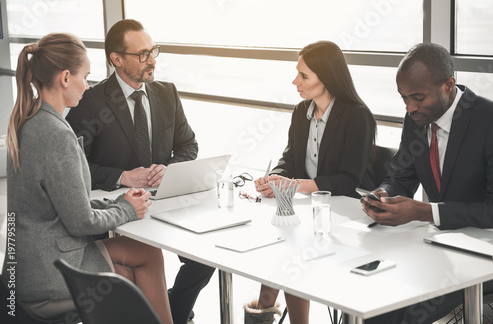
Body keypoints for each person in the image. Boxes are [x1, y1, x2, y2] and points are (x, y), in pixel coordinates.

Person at [3, 33, 173, 323]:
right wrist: (127, 209)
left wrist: (116, 202)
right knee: (146, 258)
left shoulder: (29, 121)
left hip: (27, 266)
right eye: (86, 76)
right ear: (66, 78)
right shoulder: (55, 135)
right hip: (48, 276)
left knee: (141, 260)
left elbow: (64, 205)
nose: (88, 85)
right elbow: (81, 222)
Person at [65, 19, 213, 324]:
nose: (152, 60)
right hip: (119, 207)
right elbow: (75, 166)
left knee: (207, 256)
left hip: (165, 199)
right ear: (116, 59)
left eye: (153, 51)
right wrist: (122, 176)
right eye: (143, 54)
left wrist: (167, 168)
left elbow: (188, 146)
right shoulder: (91, 102)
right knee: (145, 256)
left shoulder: (167, 93)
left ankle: (172, 312)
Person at [361, 42, 493, 323]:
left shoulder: (492, 121)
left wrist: (424, 211)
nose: (410, 107)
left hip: (488, 253)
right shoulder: (417, 118)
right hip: (439, 245)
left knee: (402, 311)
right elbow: (400, 176)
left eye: (418, 97)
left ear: (449, 85)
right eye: (403, 98)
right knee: (366, 296)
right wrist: (383, 195)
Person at [246, 41, 377, 324]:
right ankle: (265, 311)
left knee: (287, 249)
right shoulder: (301, 112)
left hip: (341, 219)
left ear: (327, 77)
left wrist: (295, 185)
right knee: (281, 245)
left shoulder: (357, 116)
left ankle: (265, 312)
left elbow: (348, 180)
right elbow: (290, 159)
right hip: (307, 212)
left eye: (304, 76)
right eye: (298, 73)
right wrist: (275, 179)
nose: (295, 81)